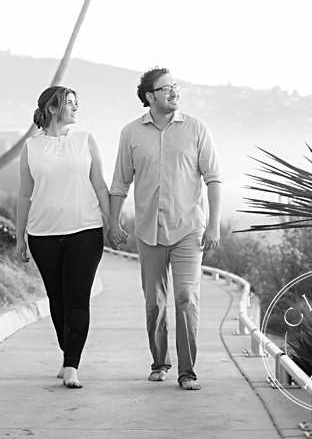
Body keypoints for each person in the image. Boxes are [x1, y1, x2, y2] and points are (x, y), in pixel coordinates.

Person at [109, 67, 222, 391]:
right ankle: (160, 363)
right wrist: (114, 222)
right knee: (154, 303)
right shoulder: (131, 133)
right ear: (149, 96)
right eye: (166, 88)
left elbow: (213, 177)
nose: (174, 92)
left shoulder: (197, 128)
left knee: (186, 297)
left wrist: (213, 225)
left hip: (188, 229)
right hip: (149, 230)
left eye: (176, 86)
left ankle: (187, 372)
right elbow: (120, 182)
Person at [13, 86, 121, 389]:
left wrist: (112, 222)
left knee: (77, 299)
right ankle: (67, 351)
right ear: (52, 108)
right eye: (69, 103)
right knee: (57, 301)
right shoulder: (31, 148)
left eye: (76, 102)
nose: (75, 108)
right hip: (43, 235)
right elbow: (24, 193)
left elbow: (100, 185)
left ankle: (72, 364)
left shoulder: (86, 140)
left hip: (84, 232)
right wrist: (20, 237)